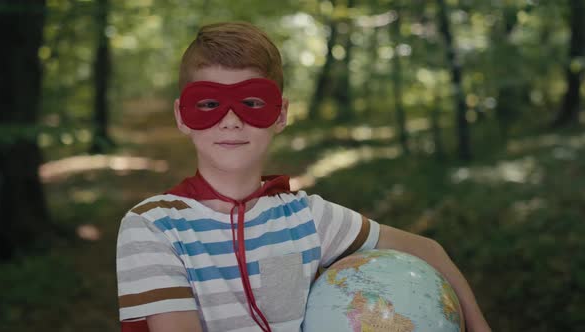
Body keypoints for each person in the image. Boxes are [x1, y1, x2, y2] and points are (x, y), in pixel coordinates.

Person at [116, 21, 491, 332]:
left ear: (280, 114)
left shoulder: (308, 220)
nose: (230, 120)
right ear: (182, 116)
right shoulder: (153, 227)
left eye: (252, 103)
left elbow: (430, 251)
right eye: (209, 104)